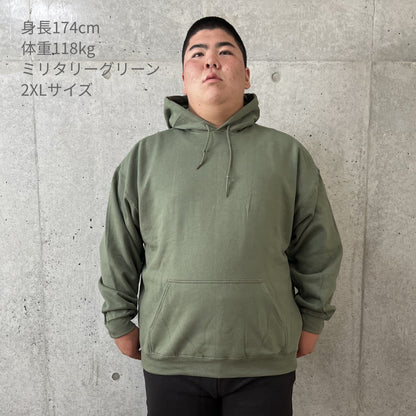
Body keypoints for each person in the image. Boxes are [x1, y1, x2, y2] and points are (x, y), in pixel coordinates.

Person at [98, 16, 343, 416]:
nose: (211, 61)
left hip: (263, 358)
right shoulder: (144, 158)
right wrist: (119, 321)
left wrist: (314, 319)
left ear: (246, 76)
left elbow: (319, 245)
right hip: (172, 356)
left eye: (224, 52)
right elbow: (119, 247)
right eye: (198, 54)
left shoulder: (287, 155)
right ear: (183, 78)